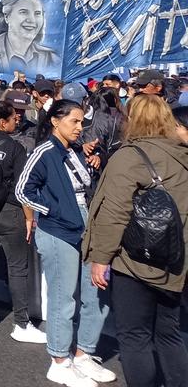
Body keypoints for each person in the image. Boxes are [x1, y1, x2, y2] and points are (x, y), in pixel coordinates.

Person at [83, 95, 188, 387]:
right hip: (176, 258)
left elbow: (113, 212)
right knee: (168, 333)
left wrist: (101, 257)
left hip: (136, 258)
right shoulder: (182, 154)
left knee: (134, 335)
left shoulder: (130, 156)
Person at [16, 100, 115, 387]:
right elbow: (23, 189)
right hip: (59, 230)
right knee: (63, 297)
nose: (79, 127)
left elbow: (82, 185)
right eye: (74, 121)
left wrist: (95, 162)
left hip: (86, 224)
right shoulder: (44, 151)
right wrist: (52, 209)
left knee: (96, 292)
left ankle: (84, 354)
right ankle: (59, 360)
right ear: (55, 121)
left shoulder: (74, 151)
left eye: (82, 121)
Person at [0, 101, 46, 343]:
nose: (18, 120)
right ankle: (21, 324)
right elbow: (22, 187)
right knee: (17, 268)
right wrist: (29, 217)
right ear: (2, 122)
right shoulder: (15, 147)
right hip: (10, 210)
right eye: (14, 118)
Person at [0, 0, 60, 75]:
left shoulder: (52, 58)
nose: (32, 20)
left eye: (37, 13)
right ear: (7, 17)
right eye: (23, 12)